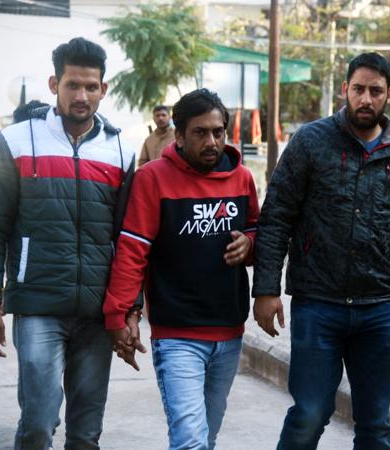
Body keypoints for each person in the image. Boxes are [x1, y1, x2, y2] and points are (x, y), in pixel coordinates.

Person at [253, 52, 390, 449]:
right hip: (319, 305)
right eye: (358, 89)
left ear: (389, 95)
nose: (366, 99)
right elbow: (276, 216)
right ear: (344, 90)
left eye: (375, 91)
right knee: (310, 414)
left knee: (376, 426)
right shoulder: (312, 141)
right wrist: (266, 289)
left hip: (379, 310)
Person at [0, 37, 135, 449]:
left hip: (97, 311)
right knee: (37, 423)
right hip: (37, 307)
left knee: (87, 433)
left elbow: (130, 239)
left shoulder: (121, 148)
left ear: (103, 89)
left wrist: (131, 308)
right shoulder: (15, 141)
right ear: (54, 84)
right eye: (73, 85)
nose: (82, 95)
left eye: (91, 87)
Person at [103, 88, 260, 450]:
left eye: (218, 132)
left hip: (229, 330)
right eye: (200, 132)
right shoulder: (152, 178)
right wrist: (119, 314)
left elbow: (257, 229)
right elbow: (132, 252)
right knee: (190, 440)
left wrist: (250, 244)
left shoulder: (242, 179)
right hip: (177, 335)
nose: (211, 141)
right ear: (179, 135)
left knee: (207, 436)